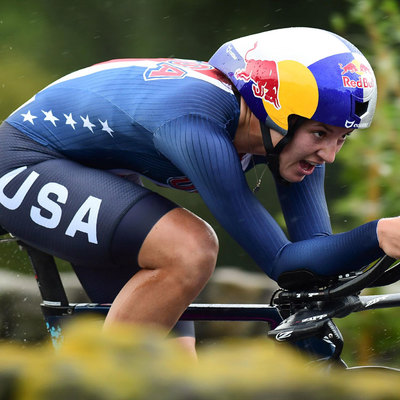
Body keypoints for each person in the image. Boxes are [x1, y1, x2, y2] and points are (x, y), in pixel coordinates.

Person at [0, 27, 398, 356]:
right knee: (190, 249)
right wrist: (379, 234)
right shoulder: (195, 122)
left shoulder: (287, 137)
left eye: (342, 137)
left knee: (176, 370)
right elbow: (283, 263)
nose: (328, 154)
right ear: (274, 110)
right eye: (320, 133)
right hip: (20, 161)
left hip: (97, 175)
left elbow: (311, 264)